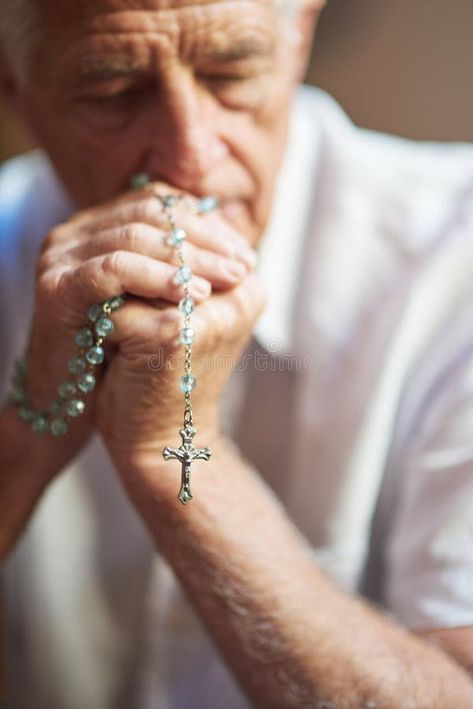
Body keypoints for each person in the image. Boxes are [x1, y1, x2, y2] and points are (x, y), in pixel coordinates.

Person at [0, 0, 472, 706]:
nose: (190, 155)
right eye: (111, 93)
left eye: (230, 73)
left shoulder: (454, 257)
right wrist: (28, 430)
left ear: (299, 36)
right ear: (14, 88)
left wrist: (178, 455)